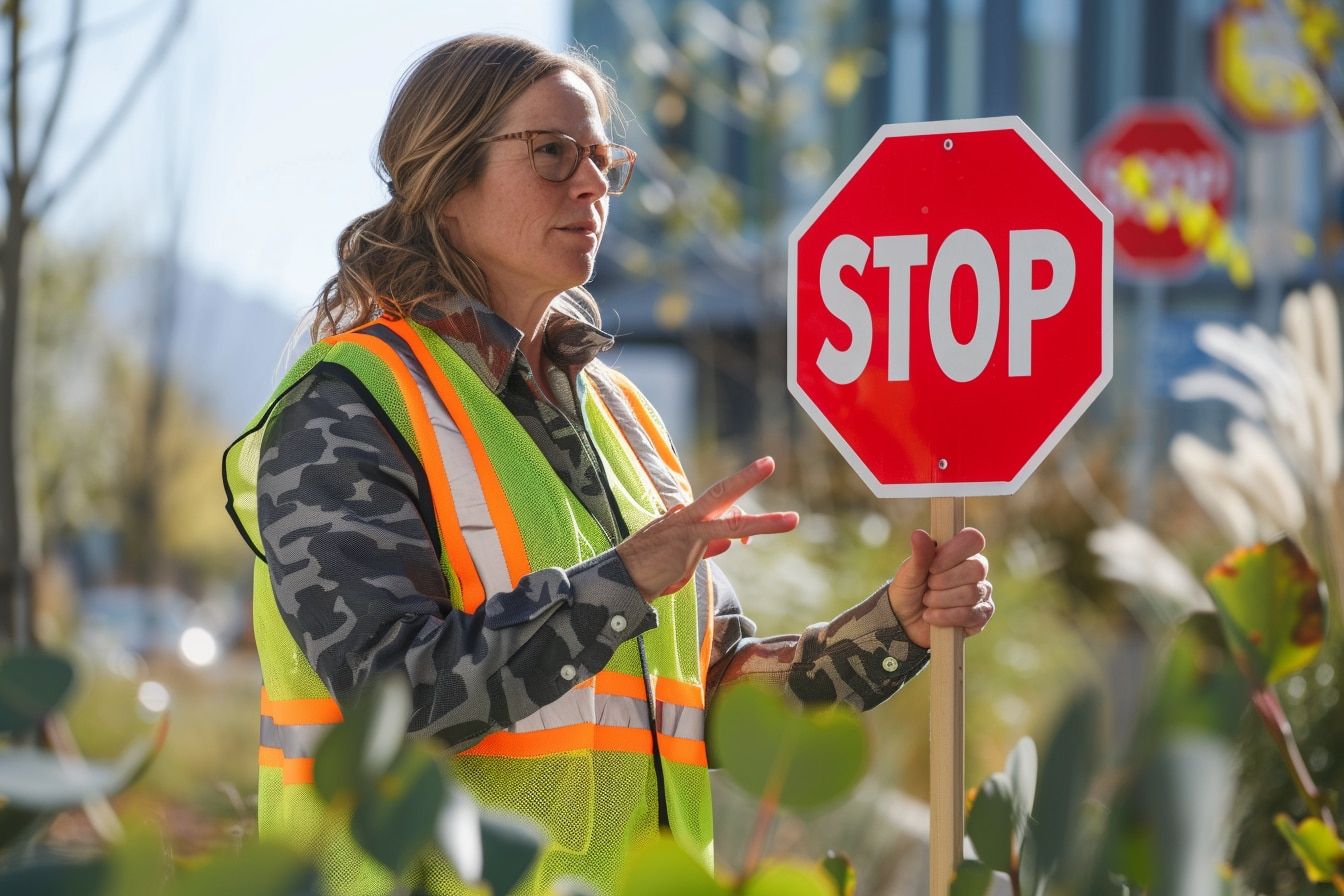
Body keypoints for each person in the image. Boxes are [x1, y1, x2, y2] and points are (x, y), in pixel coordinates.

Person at [223, 33, 994, 896]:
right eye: (552, 153)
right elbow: (390, 700)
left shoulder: (622, 417)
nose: (592, 185)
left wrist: (895, 626)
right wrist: (622, 581)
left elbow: (717, 699)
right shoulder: (347, 405)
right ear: (444, 185)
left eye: (600, 158)